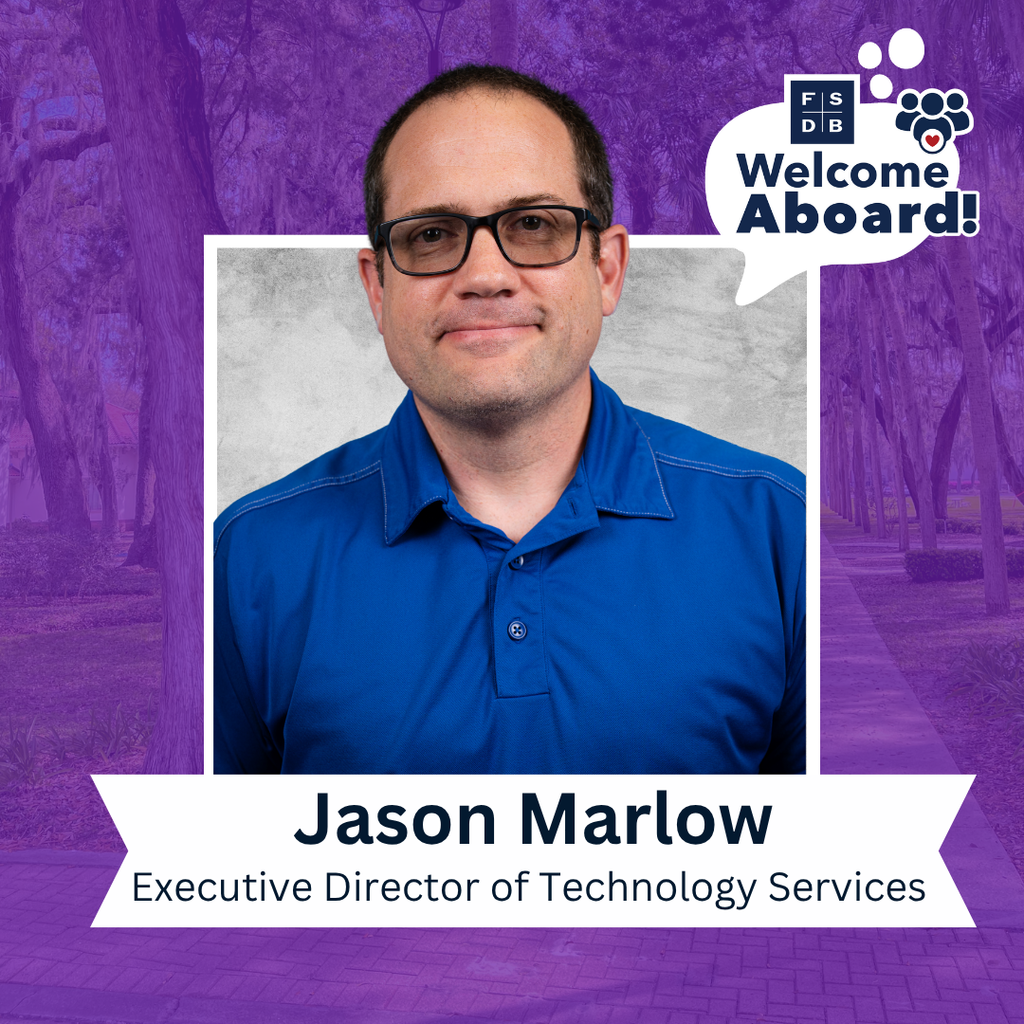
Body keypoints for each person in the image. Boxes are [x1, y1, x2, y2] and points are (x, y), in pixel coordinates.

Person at [214, 65, 806, 775]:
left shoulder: (778, 529)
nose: (486, 275)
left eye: (533, 225)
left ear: (608, 268)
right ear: (376, 288)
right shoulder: (249, 557)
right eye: (431, 235)